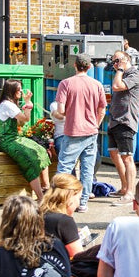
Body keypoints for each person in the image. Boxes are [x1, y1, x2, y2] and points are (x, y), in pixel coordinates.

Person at [55, 53, 107, 212]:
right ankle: (83, 203)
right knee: (87, 169)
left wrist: (58, 115)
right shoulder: (97, 84)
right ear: (89, 67)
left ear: (75, 65)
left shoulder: (66, 84)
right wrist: (96, 125)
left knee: (65, 168)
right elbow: (102, 110)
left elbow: (61, 111)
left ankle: (61, 201)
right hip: (91, 132)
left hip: (73, 131)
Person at [0, 79, 51, 201]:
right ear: (12, 90)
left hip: (15, 137)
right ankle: (41, 197)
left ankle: (46, 187)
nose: (21, 91)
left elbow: (20, 122)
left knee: (41, 150)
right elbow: (25, 119)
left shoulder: (12, 105)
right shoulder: (7, 105)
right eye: (18, 89)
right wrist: (28, 103)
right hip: (6, 140)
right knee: (29, 159)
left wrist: (27, 105)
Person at [106, 48, 139, 204]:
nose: (115, 64)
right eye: (113, 61)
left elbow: (117, 86)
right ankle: (123, 187)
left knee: (127, 157)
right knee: (114, 155)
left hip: (126, 121)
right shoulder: (121, 74)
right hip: (115, 120)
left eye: (118, 60)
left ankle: (130, 193)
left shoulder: (134, 75)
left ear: (126, 60)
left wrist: (120, 69)